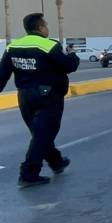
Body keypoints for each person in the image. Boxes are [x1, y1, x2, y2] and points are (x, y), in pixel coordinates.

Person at [0, 13, 80, 188]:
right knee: (43, 134)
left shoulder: (12, 47)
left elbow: (2, 76)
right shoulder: (49, 45)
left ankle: (56, 162)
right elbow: (68, 66)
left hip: (24, 97)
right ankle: (29, 173)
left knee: (40, 134)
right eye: (45, 25)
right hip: (47, 96)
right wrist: (73, 55)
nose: (47, 28)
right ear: (40, 28)